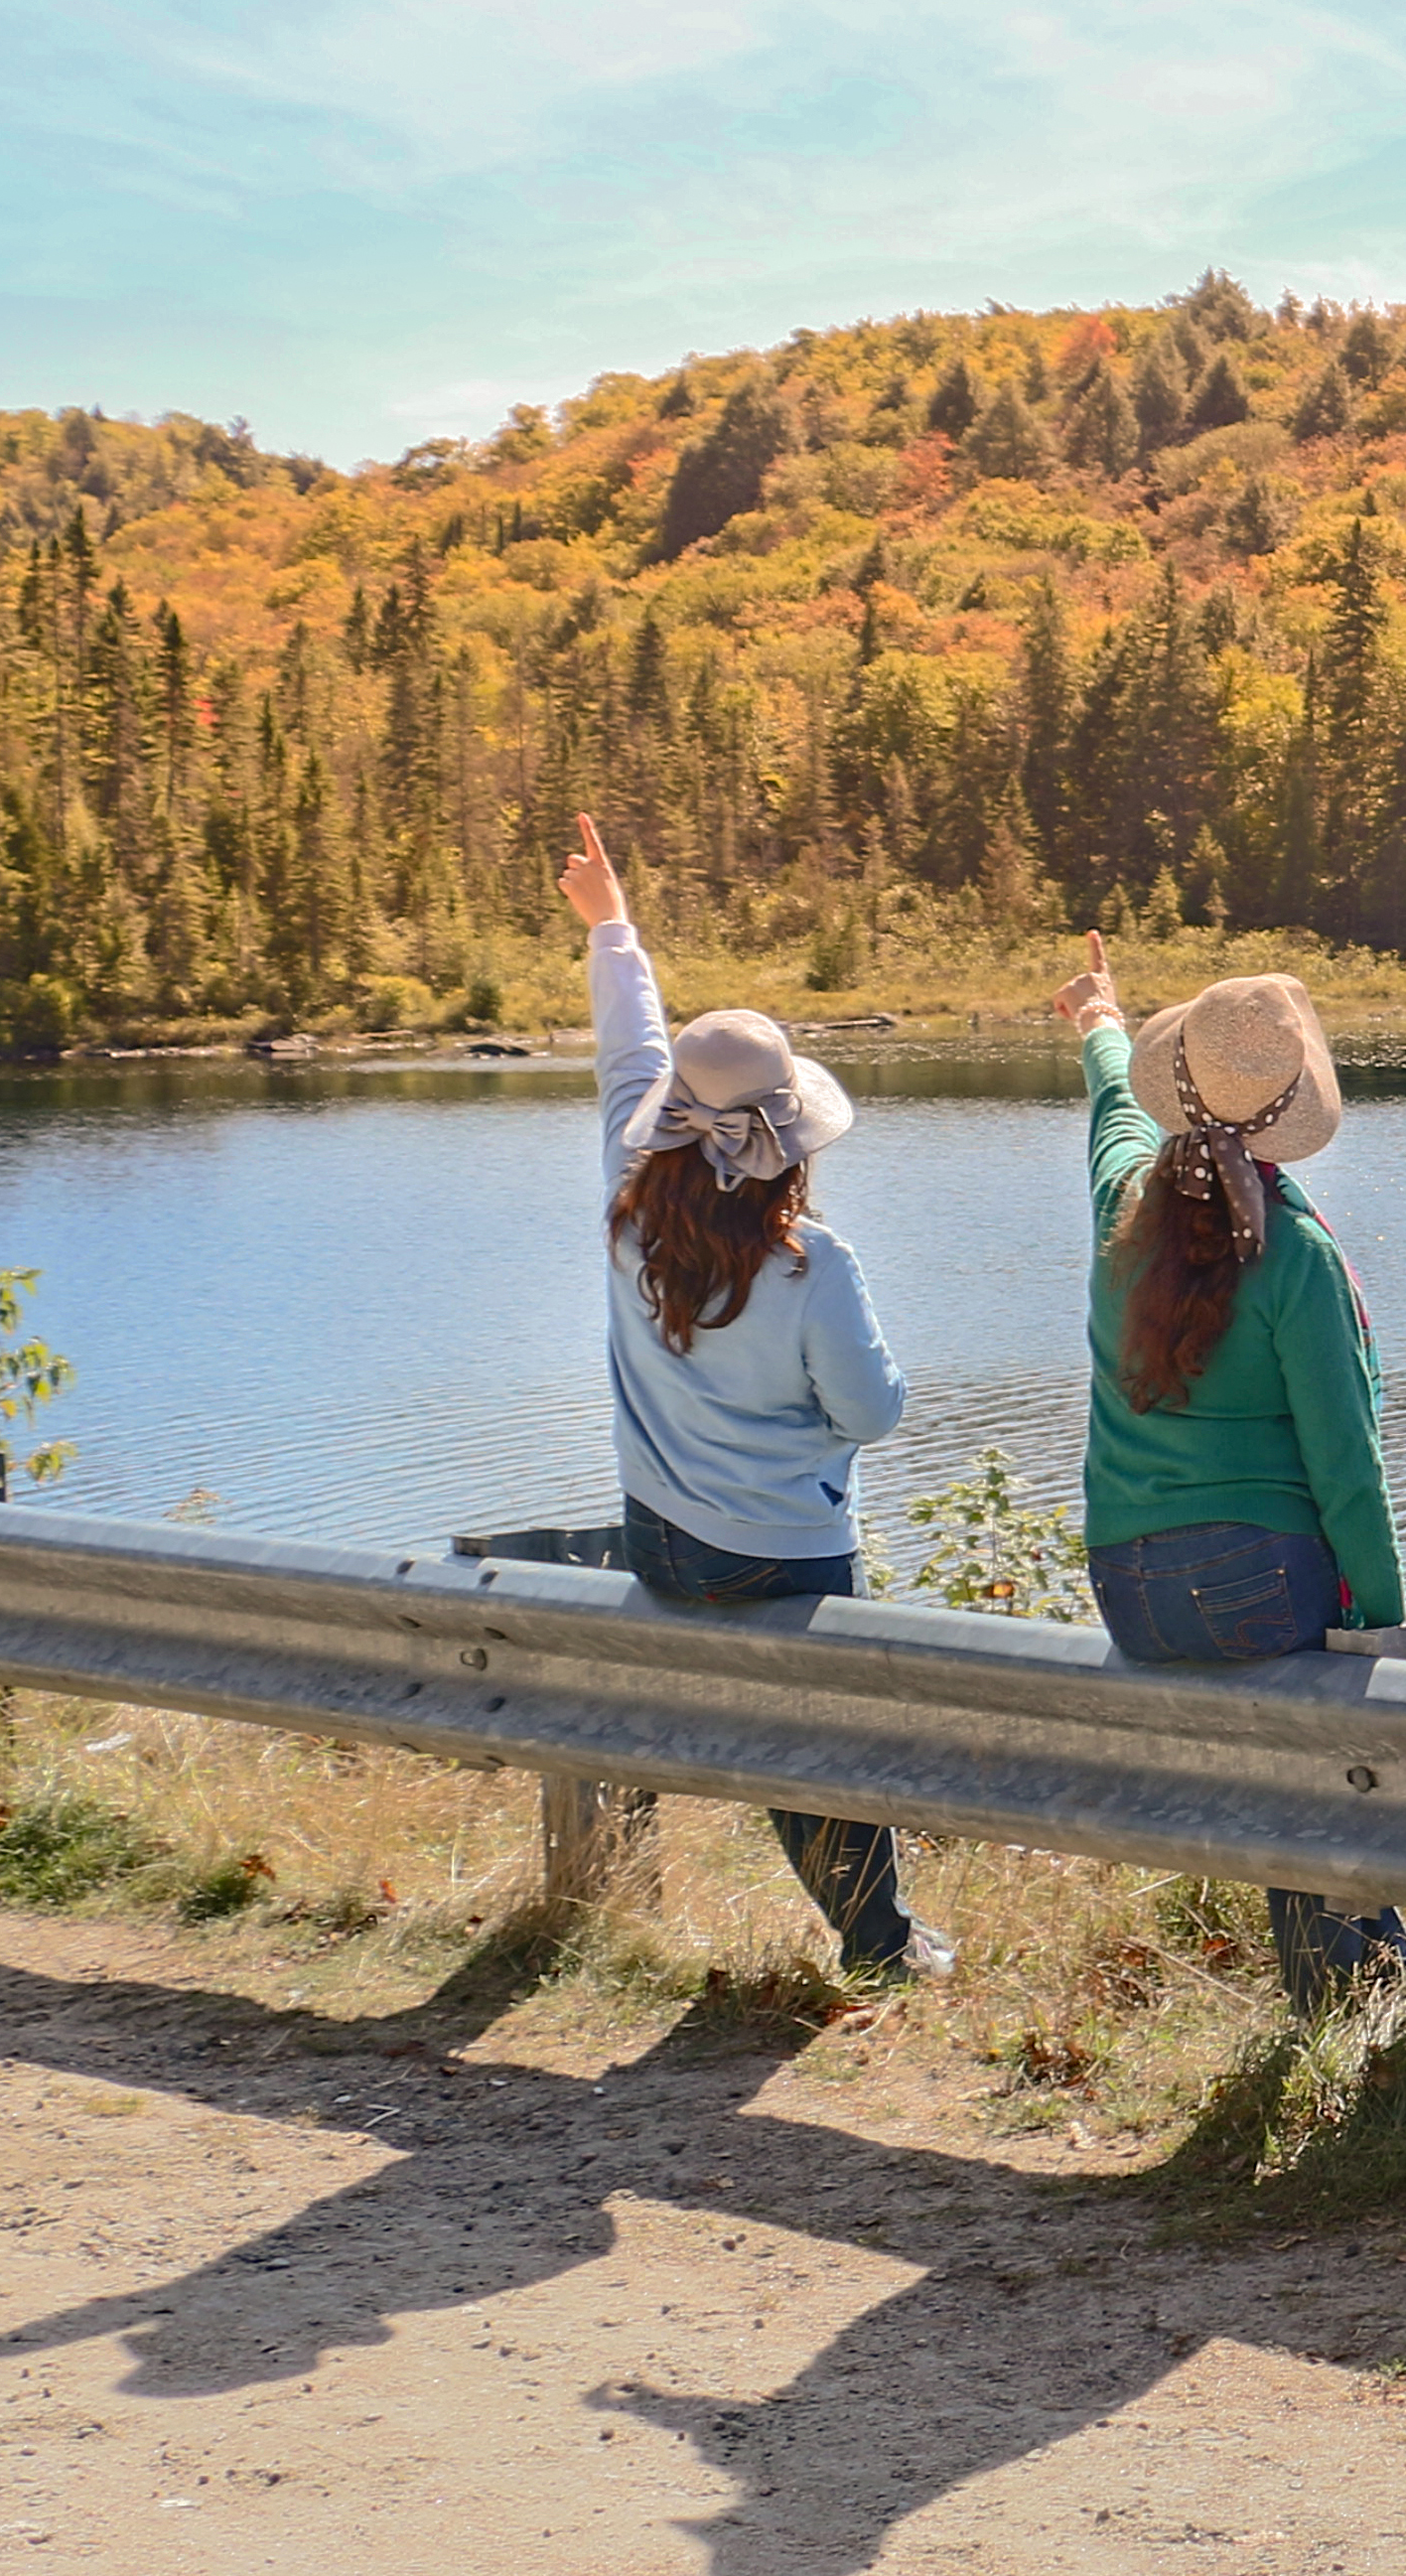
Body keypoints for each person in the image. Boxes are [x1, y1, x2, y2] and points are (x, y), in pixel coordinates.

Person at [562, 813, 946, 1985]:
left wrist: (612, 927)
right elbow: (875, 1413)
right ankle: (880, 1943)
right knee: (818, 1739)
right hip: (781, 1547)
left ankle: (876, 1933)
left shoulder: (629, 1202)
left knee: (785, 1729)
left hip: (663, 1545)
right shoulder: (812, 1263)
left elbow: (628, 1053)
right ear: (789, 1137)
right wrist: (817, 1428)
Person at [1053, 930, 1406, 2009]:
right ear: (1293, 1108)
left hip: (1127, 1588)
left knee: (1289, 1770)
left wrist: (1099, 1021)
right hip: (1258, 1584)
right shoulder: (1295, 1258)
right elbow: (1345, 1468)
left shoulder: (1124, 1201)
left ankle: (1341, 1995)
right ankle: (1361, 2003)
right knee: (1334, 1763)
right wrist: (1385, 1631)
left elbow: (1117, 1113)